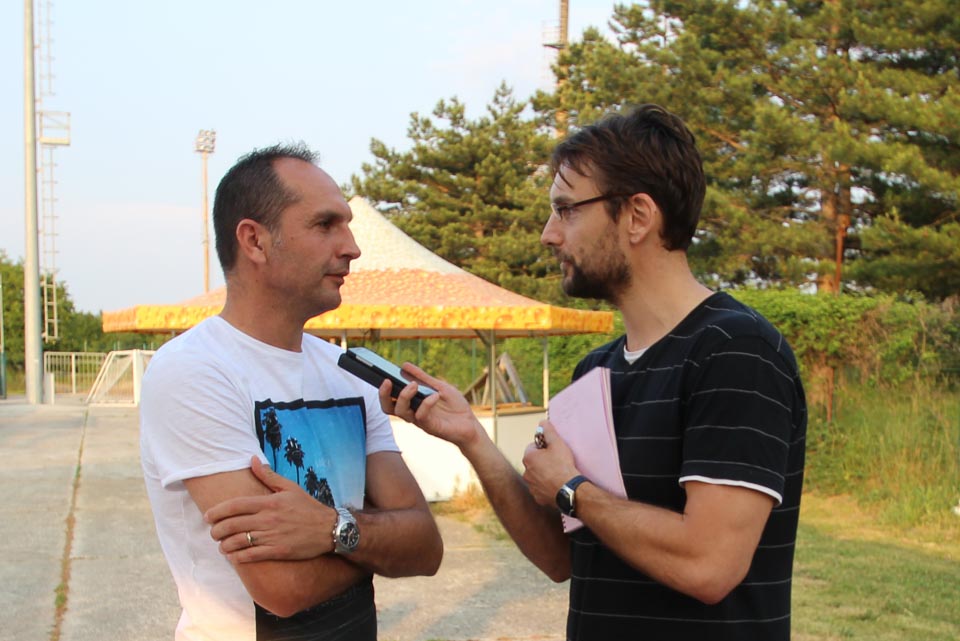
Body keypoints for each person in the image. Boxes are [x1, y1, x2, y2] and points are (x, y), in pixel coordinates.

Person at [384, 104, 807, 640]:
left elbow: (709, 564)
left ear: (637, 216)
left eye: (566, 210)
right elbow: (560, 556)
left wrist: (571, 488)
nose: (548, 234)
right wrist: (472, 438)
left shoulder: (736, 351)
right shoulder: (594, 371)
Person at [139, 143, 443, 641]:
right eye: (325, 225)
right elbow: (283, 588)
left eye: (347, 225)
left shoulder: (347, 372)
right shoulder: (194, 371)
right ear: (254, 241)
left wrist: (328, 529)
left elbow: (425, 547)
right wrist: (376, 542)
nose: (352, 247)